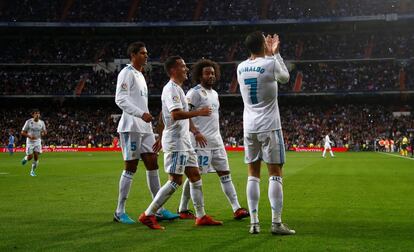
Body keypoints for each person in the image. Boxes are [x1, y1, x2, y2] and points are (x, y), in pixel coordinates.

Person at [139, 56, 223, 230]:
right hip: (176, 141)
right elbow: (175, 114)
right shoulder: (171, 89)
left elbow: (164, 115)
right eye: (183, 66)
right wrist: (198, 112)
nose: (186, 69)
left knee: (195, 175)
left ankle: (201, 216)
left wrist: (161, 134)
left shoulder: (178, 89)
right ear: (173, 70)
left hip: (184, 141)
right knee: (175, 180)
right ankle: (148, 214)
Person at [237, 31, 295, 235]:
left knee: (253, 174)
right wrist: (275, 54)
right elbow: (285, 78)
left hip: (249, 126)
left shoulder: (241, 67)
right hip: (269, 126)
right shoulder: (269, 63)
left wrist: (266, 53)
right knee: (275, 173)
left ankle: (253, 223)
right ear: (263, 44)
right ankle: (276, 223)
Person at [114, 42, 178, 224]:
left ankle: (158, 209)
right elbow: (120, 99)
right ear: (133, 55)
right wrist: (140, 113)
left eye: (147, 53)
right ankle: (119, 211)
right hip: (131, 126)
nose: (146, 56)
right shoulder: (126, 73)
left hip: (145, 127)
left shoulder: (140, 75)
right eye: (142, 53)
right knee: (131, 167)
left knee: (152, 163)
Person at [177, 59, 249, 220]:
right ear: (199, 75)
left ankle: (237, 208)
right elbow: (184, 114)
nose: (211, 76)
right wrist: (195, 132)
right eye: (207, 73)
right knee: (195, 176)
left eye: (213, 73)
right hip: (200, 143)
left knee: (225, 174)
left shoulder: (214, 94)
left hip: (216, 142)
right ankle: (183, 208)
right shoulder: (194, 93)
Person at [21, 109, 47, 177]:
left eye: (38, 113)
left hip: (38, 141)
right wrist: (29, 136)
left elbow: (45, 132)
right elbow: (22, 132)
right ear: (33, 115)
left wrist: (43, 133)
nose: (37, 115)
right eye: (35, 113)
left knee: (36, 156)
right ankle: (26, 158)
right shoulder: (28, 122)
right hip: (30, 141)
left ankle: (32, 171)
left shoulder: (42, 123)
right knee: (30, 157)